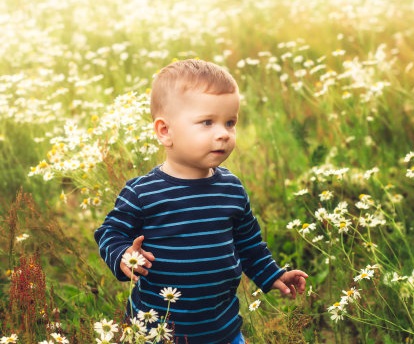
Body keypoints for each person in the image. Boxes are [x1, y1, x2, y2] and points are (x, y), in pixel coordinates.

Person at [94, 59, 308, 344]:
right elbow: (110, 232)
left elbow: (248, 243)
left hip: (222, 330)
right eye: (207, 122)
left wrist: (271, 275)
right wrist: (123, 255)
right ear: (164, 131)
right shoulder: (142, 193)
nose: (223, 133)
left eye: (230, 122)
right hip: (156, 331)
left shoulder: (231, 188)